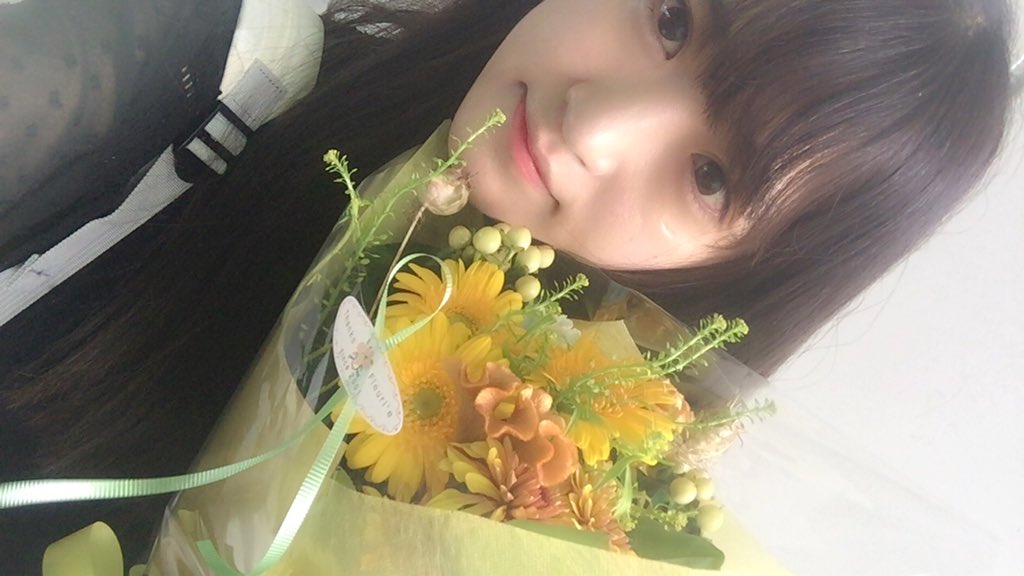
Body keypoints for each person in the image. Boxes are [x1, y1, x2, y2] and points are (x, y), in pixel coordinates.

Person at [0, 0, 1014, 571]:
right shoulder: (211, 66)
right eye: (669, 18)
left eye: (712, 176)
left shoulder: (557, 512)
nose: (596, 124)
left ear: (749, 272)